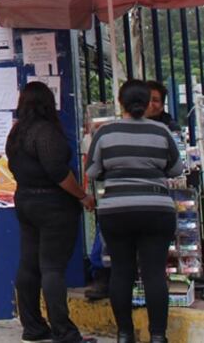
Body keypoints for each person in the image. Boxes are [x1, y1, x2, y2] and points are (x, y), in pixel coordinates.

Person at [87, 79, 184, 343]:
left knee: (121, 272)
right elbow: (176, 170)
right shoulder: (161, 132)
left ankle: (124, 335)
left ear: (121, 102)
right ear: (146, 102)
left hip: (116, 211)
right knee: (154, 273)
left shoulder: (105, 133)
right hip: (156, 209)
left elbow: (92, 172)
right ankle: (157, 336)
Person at [5, 82, 96, 343]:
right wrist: (82, 195)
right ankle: (63, 331)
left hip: (25, 201)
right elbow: (58, 172)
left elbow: (14, 165)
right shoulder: (46, 132)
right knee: (52, 269)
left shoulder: (16, 132)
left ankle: (32, 326)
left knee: (29, 265)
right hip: (54, 205)